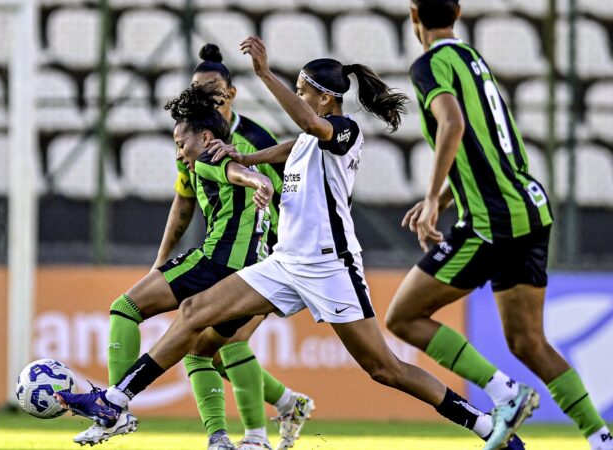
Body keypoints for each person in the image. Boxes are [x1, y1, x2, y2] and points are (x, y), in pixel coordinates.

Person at [57, 36, 525, 450]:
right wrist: (241, 154)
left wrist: (264, 73)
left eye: (302, 92)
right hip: (284, 263)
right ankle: (115, 402)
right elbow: (286, 148)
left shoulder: (344, 131)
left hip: (330, 265)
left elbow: (309, 128)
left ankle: (483, 423)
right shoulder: (309, 137)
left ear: (324, 97)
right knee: (194, 313)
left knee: (384, 368)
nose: (299, 100)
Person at [383, 1, 613, 450]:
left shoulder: (429, 65)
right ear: (459, 12)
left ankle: (505, 394)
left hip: (494, 222)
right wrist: (444, 197)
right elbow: (485, 148)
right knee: (528, 340)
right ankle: (601, 438)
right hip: (530, 207)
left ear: (414, 16)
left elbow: (452, 124)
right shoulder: (474, 60)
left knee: (404, 316)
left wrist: (433, 200)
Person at [74, 80, 286, 450]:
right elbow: (235, 173)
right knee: (199, 350)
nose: (178, 154)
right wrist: (258, 180)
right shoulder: (227, 153)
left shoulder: (209, 157)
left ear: (204, 137)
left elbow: (235, 172)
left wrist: (255, 180)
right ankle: (220, 438)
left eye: (180, 144)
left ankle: (112, 406)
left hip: (214, 263)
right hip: (250, 281)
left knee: (125, 308)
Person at [149, 43, 314, 450]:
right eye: (197, 88)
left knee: (226, 342)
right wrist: (160, 261)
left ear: (231, 92)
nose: (205, 96)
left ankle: (255, 438)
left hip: (272, 256)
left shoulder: (255, 137)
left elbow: (295, 185)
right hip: (226, 256)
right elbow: (184, 203)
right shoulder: (188, 141)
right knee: (213, 349)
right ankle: (288, 404)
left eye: (213, 89)